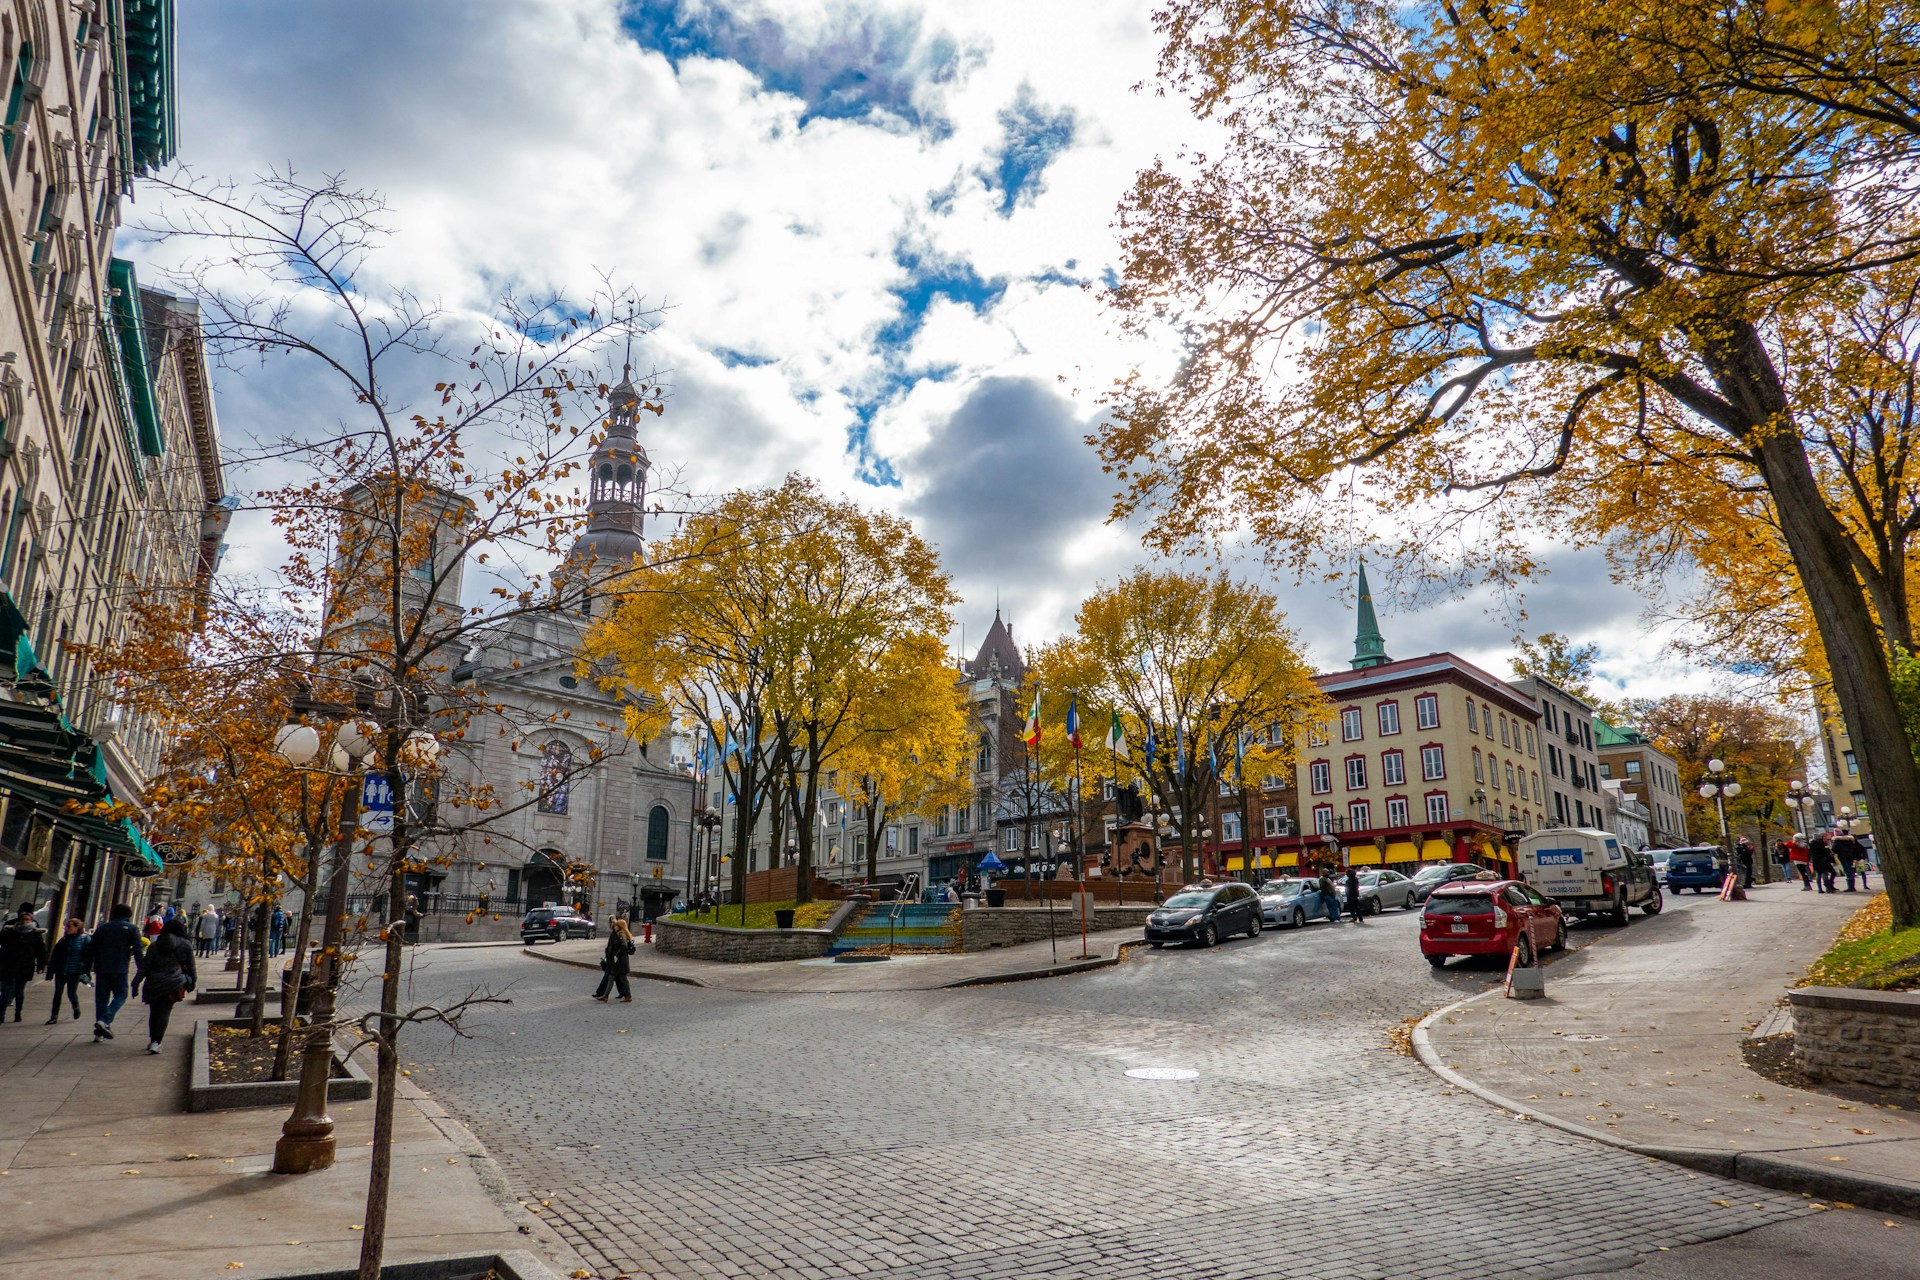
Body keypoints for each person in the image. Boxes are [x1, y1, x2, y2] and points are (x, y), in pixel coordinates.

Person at [135, 916, 197, 1055]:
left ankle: (153, 1040)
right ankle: (157, 1042)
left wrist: (136, 983)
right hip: (173, 983)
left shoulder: (155, 945)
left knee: (154, 1012)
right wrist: (192, 981)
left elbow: (144, 967)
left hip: (153, 983)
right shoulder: (186, 944)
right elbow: (191, 966)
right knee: (164, 1012)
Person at [88, 903, 144, 1041]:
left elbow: (91, 949)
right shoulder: (131, 929)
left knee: (101, 998)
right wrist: (142, 968)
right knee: (121, 994)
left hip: (101, 968)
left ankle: (99, 1033)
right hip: (120, 967)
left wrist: (86, 969)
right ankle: (105, 1020)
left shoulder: (103, 928)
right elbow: (138, 950)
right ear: (129, 915)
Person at [0, 904, 47, 1022]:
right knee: (5, 991)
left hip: (24, 966)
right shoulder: (9, 929)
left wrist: (41, 965)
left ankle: (17, 1013)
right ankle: (1, 1015)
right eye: (23, 918)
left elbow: (40, 950)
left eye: (27, 918)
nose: (25, 921)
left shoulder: (35, 931)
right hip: (8, 965)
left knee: (19, 992)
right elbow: (3, 945)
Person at [43, 917, 89, 1024]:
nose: (66, 928)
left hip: (74, 971)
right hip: (61, 971)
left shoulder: (84, 939)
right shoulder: (63, 941)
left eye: (69, 927)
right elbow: (55, 957)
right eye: (66, 926)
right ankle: (54, 1016)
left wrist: (85, 968)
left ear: (78, 927)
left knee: (71, 992)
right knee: (57, 993)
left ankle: (76, 1007)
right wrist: (50, 972)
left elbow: (89, 955)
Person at [592, 917, 637, 1003]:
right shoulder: (618, 933)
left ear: (619, 926)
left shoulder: (621, 934)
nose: (614, 926)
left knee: (621, 978)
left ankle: (628, 995)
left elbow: (623, 946)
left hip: (620, 961)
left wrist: (616, 955)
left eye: (616, 925)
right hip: (617, 961)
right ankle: (606, 996)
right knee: (612, 977)